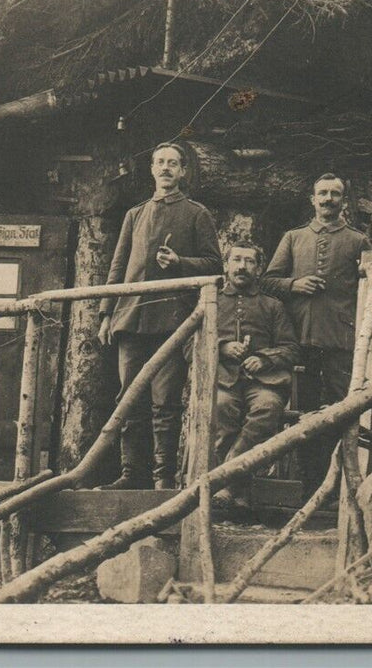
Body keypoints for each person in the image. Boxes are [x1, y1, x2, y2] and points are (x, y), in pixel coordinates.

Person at [98, 141, 221, 490]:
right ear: (152, 169)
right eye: (160, 163)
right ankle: (130, 474)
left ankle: (162, 478)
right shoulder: (134, 214)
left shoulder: (197, 214)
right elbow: (118, 266)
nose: (165, 168)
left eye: (172, 163)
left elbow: (215, 265)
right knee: (128, 399)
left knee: (164, 403)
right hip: (131, 319)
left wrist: (180, 262)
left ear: (183, 171)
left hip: (172, 323)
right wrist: (107, 313)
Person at [261, 173, 371, 489]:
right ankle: (308, 485)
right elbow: (268, 281)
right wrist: (295, 284)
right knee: (303, 412)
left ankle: (341, 485)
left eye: (334, 194)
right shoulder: (294, 238)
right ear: (312, 199)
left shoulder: (357, 240)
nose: (327, 199)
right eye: (322, 193)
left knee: (342, 409)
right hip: (300, 339)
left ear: (343, 201)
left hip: (341, 340)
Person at [211, 240, 299, 518]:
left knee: (267, 408)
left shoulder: (272, 306)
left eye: (249, 261)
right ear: (226, 266)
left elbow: (291, 348)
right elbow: (190, 346)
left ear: (259, 269)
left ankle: (225, 482)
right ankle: (241, 492)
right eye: (236, 260)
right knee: (223, 407)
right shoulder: (211, 302)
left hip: (264, 382)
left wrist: (264, 359)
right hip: (223, 379)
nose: (242, 267)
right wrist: (222, 347)